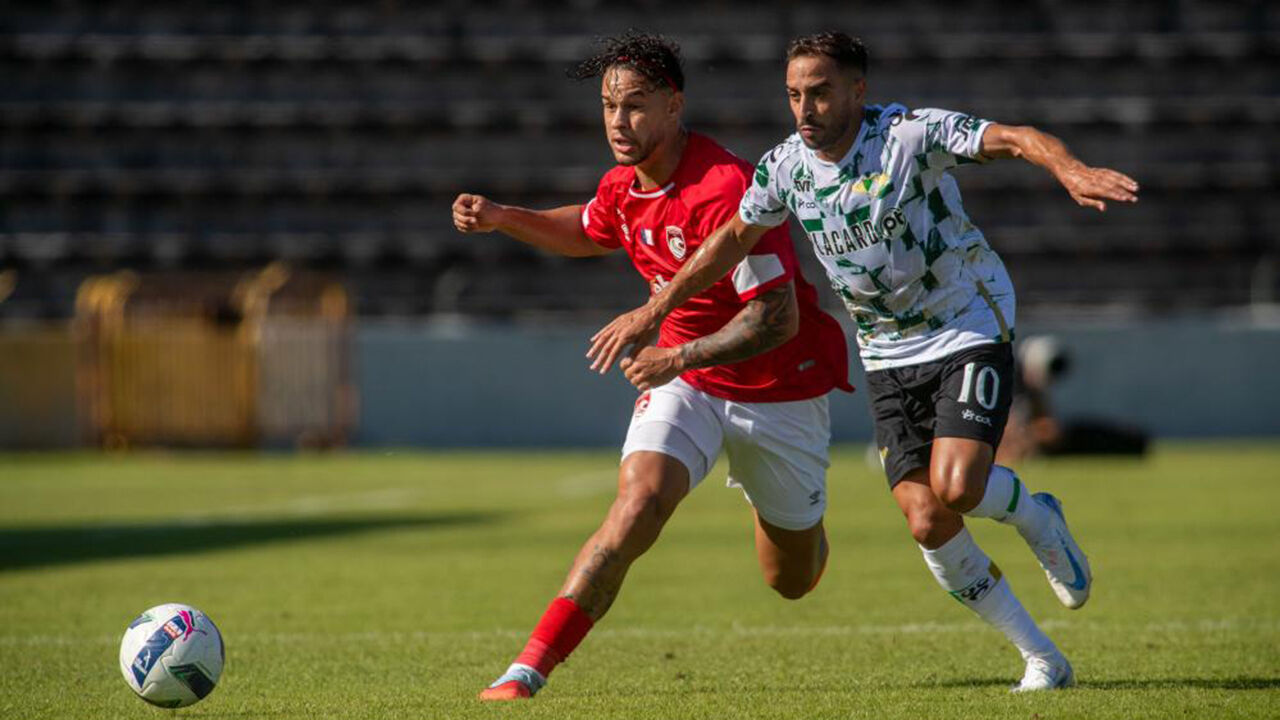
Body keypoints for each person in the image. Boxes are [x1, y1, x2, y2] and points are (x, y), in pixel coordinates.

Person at [589, 31, 1140, 692]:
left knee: (959, 485)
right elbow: (732, 239)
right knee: (927, 520)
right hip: (884, 350)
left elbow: (1015, 136)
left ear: (858, 90)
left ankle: (1036, 514)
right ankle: (1041, 657)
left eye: (820, 92)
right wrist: (656, 310)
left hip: (965, 321)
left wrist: (1069, 169)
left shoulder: (909, 135)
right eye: (794, 94)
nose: (805, 109)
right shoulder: (786, 166)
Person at [451, 31, 851, 701]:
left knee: (792, 579)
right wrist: (503, 217)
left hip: (776, 387)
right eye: (609, 106)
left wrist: (675, 352)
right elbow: (588, 227)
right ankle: (528, 668)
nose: (618, 121)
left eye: (635, 105)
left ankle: (779, 508)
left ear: (674, 105)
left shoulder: (727, 188)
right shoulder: (625, 186)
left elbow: (774, 318)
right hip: (686, 384)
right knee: (635, 506)